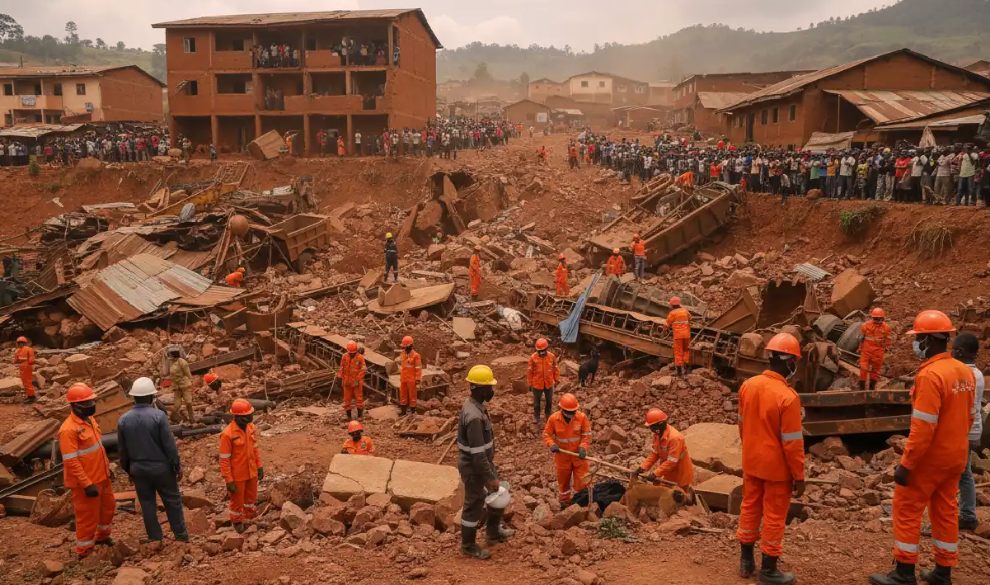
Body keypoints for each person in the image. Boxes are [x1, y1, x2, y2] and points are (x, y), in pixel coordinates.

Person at [869, 310, 975, 585]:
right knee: (946, 511)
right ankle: (943, 572)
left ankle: (904, 573)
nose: (915, 343)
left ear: (929, 339)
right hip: (956, 456)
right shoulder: (965, 372)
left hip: (930, 459)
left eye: (918, 338)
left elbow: (923, 428)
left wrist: (907, 464)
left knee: (907, 508)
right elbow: (969, 417)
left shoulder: (930, 375)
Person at [737, 333, 805, 585]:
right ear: (790, 361)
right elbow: (793, 444)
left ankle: (746, 561)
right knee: (775, 516)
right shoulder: (788, 397)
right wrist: (799, 476)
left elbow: (742, 425)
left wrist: (751, 450)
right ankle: (768, 570)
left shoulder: (748, 385)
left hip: (752, 462)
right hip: (777, 470)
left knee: (749, 507)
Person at [117, 377, 188, 543]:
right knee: (172, 501)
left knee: (147, 503)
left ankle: (155, 538)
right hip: (162, 469)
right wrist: (176, 465)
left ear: (134, 397)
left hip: (138, 470)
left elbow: (122, 450)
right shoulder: (159, 416)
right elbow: (169, 445)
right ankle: (181, 537)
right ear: (151, 397)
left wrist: (129, 470)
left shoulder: (123, 420)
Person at [458, 365, 513, 559]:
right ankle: (468, 546)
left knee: (497, 493)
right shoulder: (473, 416)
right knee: (474, 504)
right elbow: (477, 454)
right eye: (490, 387)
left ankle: (493, 533)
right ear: (481, 390)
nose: (492, 391)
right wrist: (489, 477)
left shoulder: (477, 407)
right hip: (475, 467)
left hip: (483, 464)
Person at [60, 383, 115, 558]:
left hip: (101, 476)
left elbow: (98, 448)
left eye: (91, 401)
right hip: (86, 482)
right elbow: (71, 461)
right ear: (75, 405)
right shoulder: (68, 430)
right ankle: (84, 550)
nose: (91, 405)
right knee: (87, 517)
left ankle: (102, 537)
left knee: (108, 508)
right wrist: (86, 483)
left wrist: (107, 468)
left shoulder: (90, 420)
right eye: (86, 403)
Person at [953, 333, 984, 532]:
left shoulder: (962, 374)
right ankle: (968, 515)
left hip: (963, 431)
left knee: (955, 474)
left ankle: (965, 516)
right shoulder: (978, 373)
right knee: (965, 474)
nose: (951, 352)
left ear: (960, 351)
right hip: (973, 431)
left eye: (953, 349)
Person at [219, 399, 264, 531]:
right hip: (237, 475)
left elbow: (255, 448)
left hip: (251, 471)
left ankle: (250, 520)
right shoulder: (227, 434)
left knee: (251, 498)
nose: (251, 417)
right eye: (248, 415)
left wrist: (259, 465)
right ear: (239, 417)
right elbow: (224, 459)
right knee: (237, 501)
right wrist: (228, 480)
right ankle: (237, 523)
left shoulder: (251, 428)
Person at [544, 393, 591, 505]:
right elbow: (546, 434)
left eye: (574, 411)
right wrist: (551, 444)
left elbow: (586, 435)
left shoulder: (582, 417)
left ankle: (582, 502)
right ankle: (565, 503)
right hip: (562, 457)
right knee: (563, 482)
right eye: (569, 412)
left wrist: (583, 447)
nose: (572, 414)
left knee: (583, 481)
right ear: (562, 409)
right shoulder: (554, 419)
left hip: (579, 456)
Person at [638, 408, 693, 490]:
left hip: (680, 472)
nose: (651, 429)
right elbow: (655, 453)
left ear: (660, 424)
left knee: (680, 495)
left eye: (652, 426)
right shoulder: (657, 435)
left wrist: (655, 473)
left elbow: (672, 462)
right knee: (663, 491)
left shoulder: (675, 438)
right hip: (669, 471)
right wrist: (643, 467)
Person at [858, 308, 892, 390]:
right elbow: (862, 339)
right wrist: (860, 348)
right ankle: (861, 387)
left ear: (883, 318)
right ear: (873, 318)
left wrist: (887, 346)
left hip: (878, 352)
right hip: (866, 351)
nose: (878, 321)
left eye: (880, 319)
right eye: (876, 319)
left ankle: (872, 388)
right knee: (863, 368)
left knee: (875, 370)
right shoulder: (865, 326)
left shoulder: (886, 327)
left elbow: (888, 339)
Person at [528, 338, 560, 424]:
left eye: (543, 350)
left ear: (546, 348)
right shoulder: (533, 358)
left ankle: (548, 415)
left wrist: (556, 379)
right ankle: (536, 416)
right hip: (537, 384)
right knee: (536, 402)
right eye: (540, 351)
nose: (541, 352)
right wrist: (530, 384)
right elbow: (530, 372)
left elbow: (555, 368)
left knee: (549, 401)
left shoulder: (551, 356)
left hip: (549, 383)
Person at [338, 340, 366, 420]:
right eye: (350, 353)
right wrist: (340, 377)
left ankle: (360, 416)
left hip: (356, 381)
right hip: (347, 382)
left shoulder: (360, 358)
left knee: (359, 398)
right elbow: (342, 368)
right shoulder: (344, 357)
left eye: (353, 353)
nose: (351, 354)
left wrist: (357, 380)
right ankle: (348, 416)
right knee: (347, 399)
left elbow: (363, 369)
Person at [664, 297, 692, 376]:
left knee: (678, 352)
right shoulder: (685, 310)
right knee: (686, 351)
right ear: (679, 303)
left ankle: (679, 372)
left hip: (678, 336)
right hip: (687, 335)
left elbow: (667, 324)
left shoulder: (672, 313)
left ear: (671, 305)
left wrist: (664, 330)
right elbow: (690, 318)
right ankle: (686, 369)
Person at [167, 347, 194, 424]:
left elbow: (188, 373)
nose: (170, 358)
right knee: (177, 405)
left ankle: (192, 419)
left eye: (171, 356)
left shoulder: (182, 362)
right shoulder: (171, 363)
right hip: (176, 387)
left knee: (188, 402)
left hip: (185, 385)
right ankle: (173, 418)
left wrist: (191, 382)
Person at [398, 335, 422, 415]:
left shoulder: (416, 355)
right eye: (404, 347)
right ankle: (403, 411)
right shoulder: (403, 353)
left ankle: (413, 411)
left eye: (406, 347)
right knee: (403, 394)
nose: (405, 349)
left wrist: (418, 379)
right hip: (403, 378)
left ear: (410, 346)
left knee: (412, 395)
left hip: (411, 379)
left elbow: (418, 368)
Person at [14, 336, 35, 403]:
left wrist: (22, 360)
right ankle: (29, 396)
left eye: (21, 342)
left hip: (27, 368)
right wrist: (24, 360)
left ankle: (31, 397)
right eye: (19, 343)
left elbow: (31, 360)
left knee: (28, 382)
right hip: (22, 368)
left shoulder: (29, 349)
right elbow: (15, 360)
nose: (20, 344)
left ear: (24, 343)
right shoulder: (18, 350)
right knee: (25, 382)